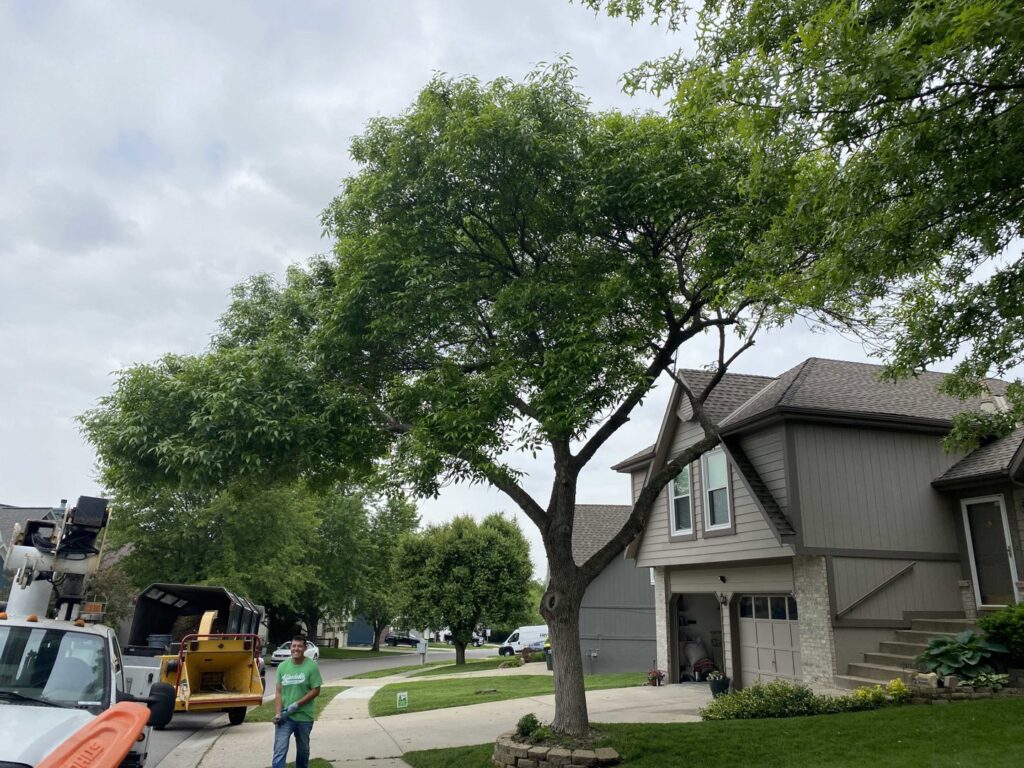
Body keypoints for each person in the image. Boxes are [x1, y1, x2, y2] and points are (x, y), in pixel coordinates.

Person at [272, 635, 322, 768]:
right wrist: (278, 713)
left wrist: (297, 704)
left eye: (299, 646)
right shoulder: (282, 666)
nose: (296, 649)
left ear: (305, 648)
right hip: (285, 717)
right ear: (290, 648)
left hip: (304, 717)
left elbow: (316, 690)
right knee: (279, 750)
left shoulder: (312, 666)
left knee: (303, 751)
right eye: (294, 646)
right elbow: (278, 691)